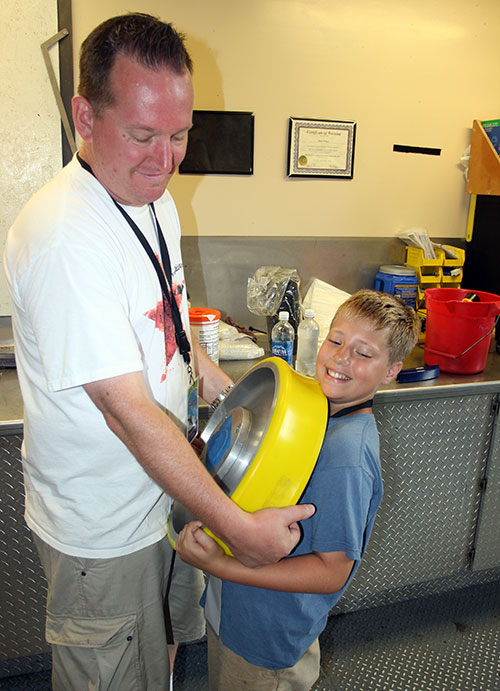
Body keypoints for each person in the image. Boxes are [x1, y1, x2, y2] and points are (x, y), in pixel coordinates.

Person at [3, 13, 314, 691]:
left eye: (179, 135)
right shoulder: (65, 236)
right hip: (104, 525)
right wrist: (237, 526)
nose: (165, 158)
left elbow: (167, 311)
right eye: (143, 135)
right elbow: (125, 412)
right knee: (112, 672)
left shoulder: (152, 200)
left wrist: (207, 374)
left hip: (163, 493)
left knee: (168, 646)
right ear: (85, 116)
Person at [177, 289, 420, 690]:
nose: (341, 358)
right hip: (236, 610)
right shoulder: (314, 410)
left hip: (267, 639)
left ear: (391, 371)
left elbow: (331, 572)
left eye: (364, 354)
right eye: (336, 341)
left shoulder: (346, 455)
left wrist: (219, 566)